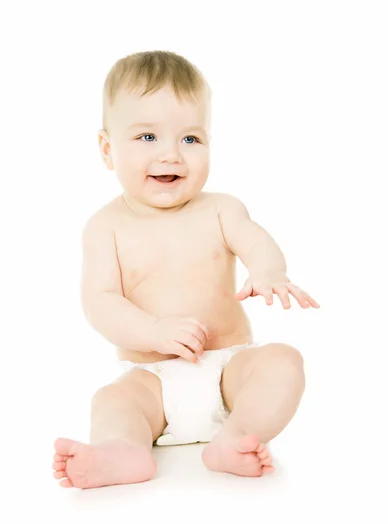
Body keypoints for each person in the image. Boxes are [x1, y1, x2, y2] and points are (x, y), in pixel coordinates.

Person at [52, 50, 320, 489]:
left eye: (191, 139)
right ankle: (124, 451)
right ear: (107, 149)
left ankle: (236, 437)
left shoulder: (221, 210)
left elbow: (255, 240)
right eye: (146, 137)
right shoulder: (106, 227)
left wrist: (269, 270)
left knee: (283, 362)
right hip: (152, 379)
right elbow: (99, 302)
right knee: (112, 401)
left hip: (227, 372)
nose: (171, 155)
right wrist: (154, 331)